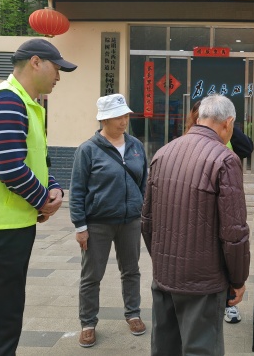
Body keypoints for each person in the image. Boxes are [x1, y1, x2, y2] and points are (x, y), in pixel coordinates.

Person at [0, 38, 77, 355]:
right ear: (36, 62)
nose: (59, 76)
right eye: (57, 68)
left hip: (7, 226)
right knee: (0, 323)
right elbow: (11, 169)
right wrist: (43, 201)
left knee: (7, 315)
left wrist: (53, 187)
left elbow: (36, 159)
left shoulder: (26, 103)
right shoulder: (7, 101)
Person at [142, 94, 250, 356]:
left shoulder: (163, 153)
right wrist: (238, 279)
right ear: (228, 123)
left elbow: (147, 221)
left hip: (164, 275)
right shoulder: (224, 159)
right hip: (204, 281)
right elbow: (234, 233)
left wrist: (162, 261)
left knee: (165, 348)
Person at [69, 94, 148, 348]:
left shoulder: (136, 146)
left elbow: (144, 183)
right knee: (91, 275)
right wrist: (80, 226)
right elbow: (77, 190)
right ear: (104, 119)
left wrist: (142, 210)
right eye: (118, 117)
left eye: (125, 115)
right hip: (98, 223)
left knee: (131, 270)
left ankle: (133, 314)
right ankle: (88, 323)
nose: (124, 121)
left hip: (130, 221)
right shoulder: (88, 149)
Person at [185, 99, 253, 324]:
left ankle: (229, 304)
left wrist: (228, 126)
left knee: (227, 248)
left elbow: (247, 148)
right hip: (200, 202)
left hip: (225, 195)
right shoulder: (188, 139)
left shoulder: (226, 139)